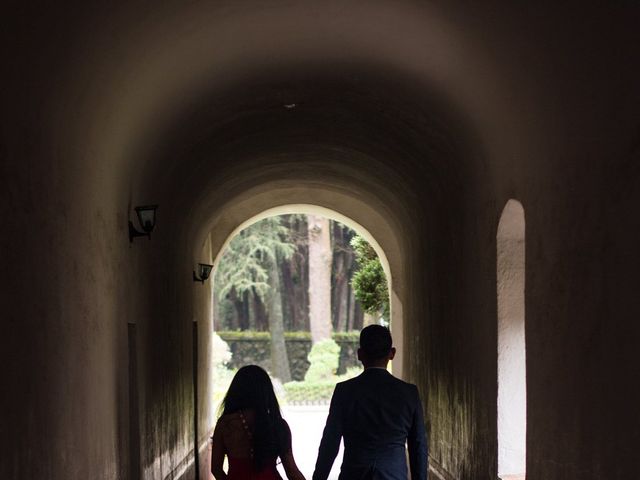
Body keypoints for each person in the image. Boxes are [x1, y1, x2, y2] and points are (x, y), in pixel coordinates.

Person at [312, 325, 427, 480]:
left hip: (354, 474)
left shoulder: (344, 391)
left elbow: (330, 442)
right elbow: (418, 446)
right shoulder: (409, 393)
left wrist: (319, 477)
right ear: (392, 353)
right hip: (393, 474)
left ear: (360, 354)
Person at [211, 365, 306, 480]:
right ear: (266, 392)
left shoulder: (225, 425)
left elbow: (216, 469)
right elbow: (292, 471)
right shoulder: (276, 424)